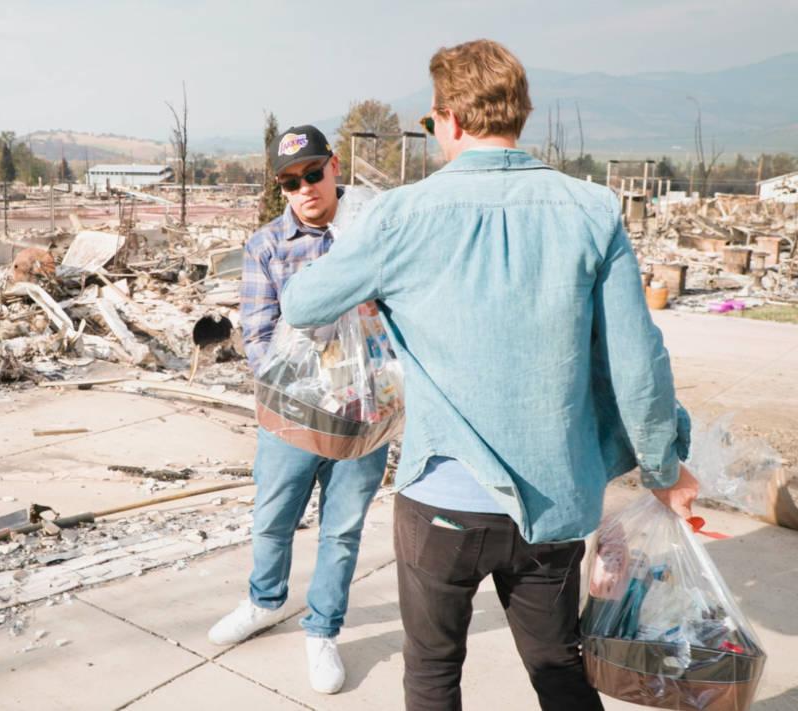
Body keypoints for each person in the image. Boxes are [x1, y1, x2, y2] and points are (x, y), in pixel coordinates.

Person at [279, 40, 699, 711]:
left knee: (433, 672)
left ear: (448, 119)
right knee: (560, 667)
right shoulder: (591, 209)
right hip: (554, 505)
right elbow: (638, 364)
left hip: (442, 500)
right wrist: (664, 467)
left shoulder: (402, 213)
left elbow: (303, 304)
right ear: (520, 114)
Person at [207, 124, 389, 695]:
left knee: (342, 529)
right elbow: (258, 339)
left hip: (365, 412)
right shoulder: (266, 246)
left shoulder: (372, 235)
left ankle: (323, 630)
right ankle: (263, 602)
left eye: (313, 173)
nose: (305, 188)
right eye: (290, 182)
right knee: (273, 516)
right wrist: (308, 387)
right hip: (292, 414)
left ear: (334, 167)